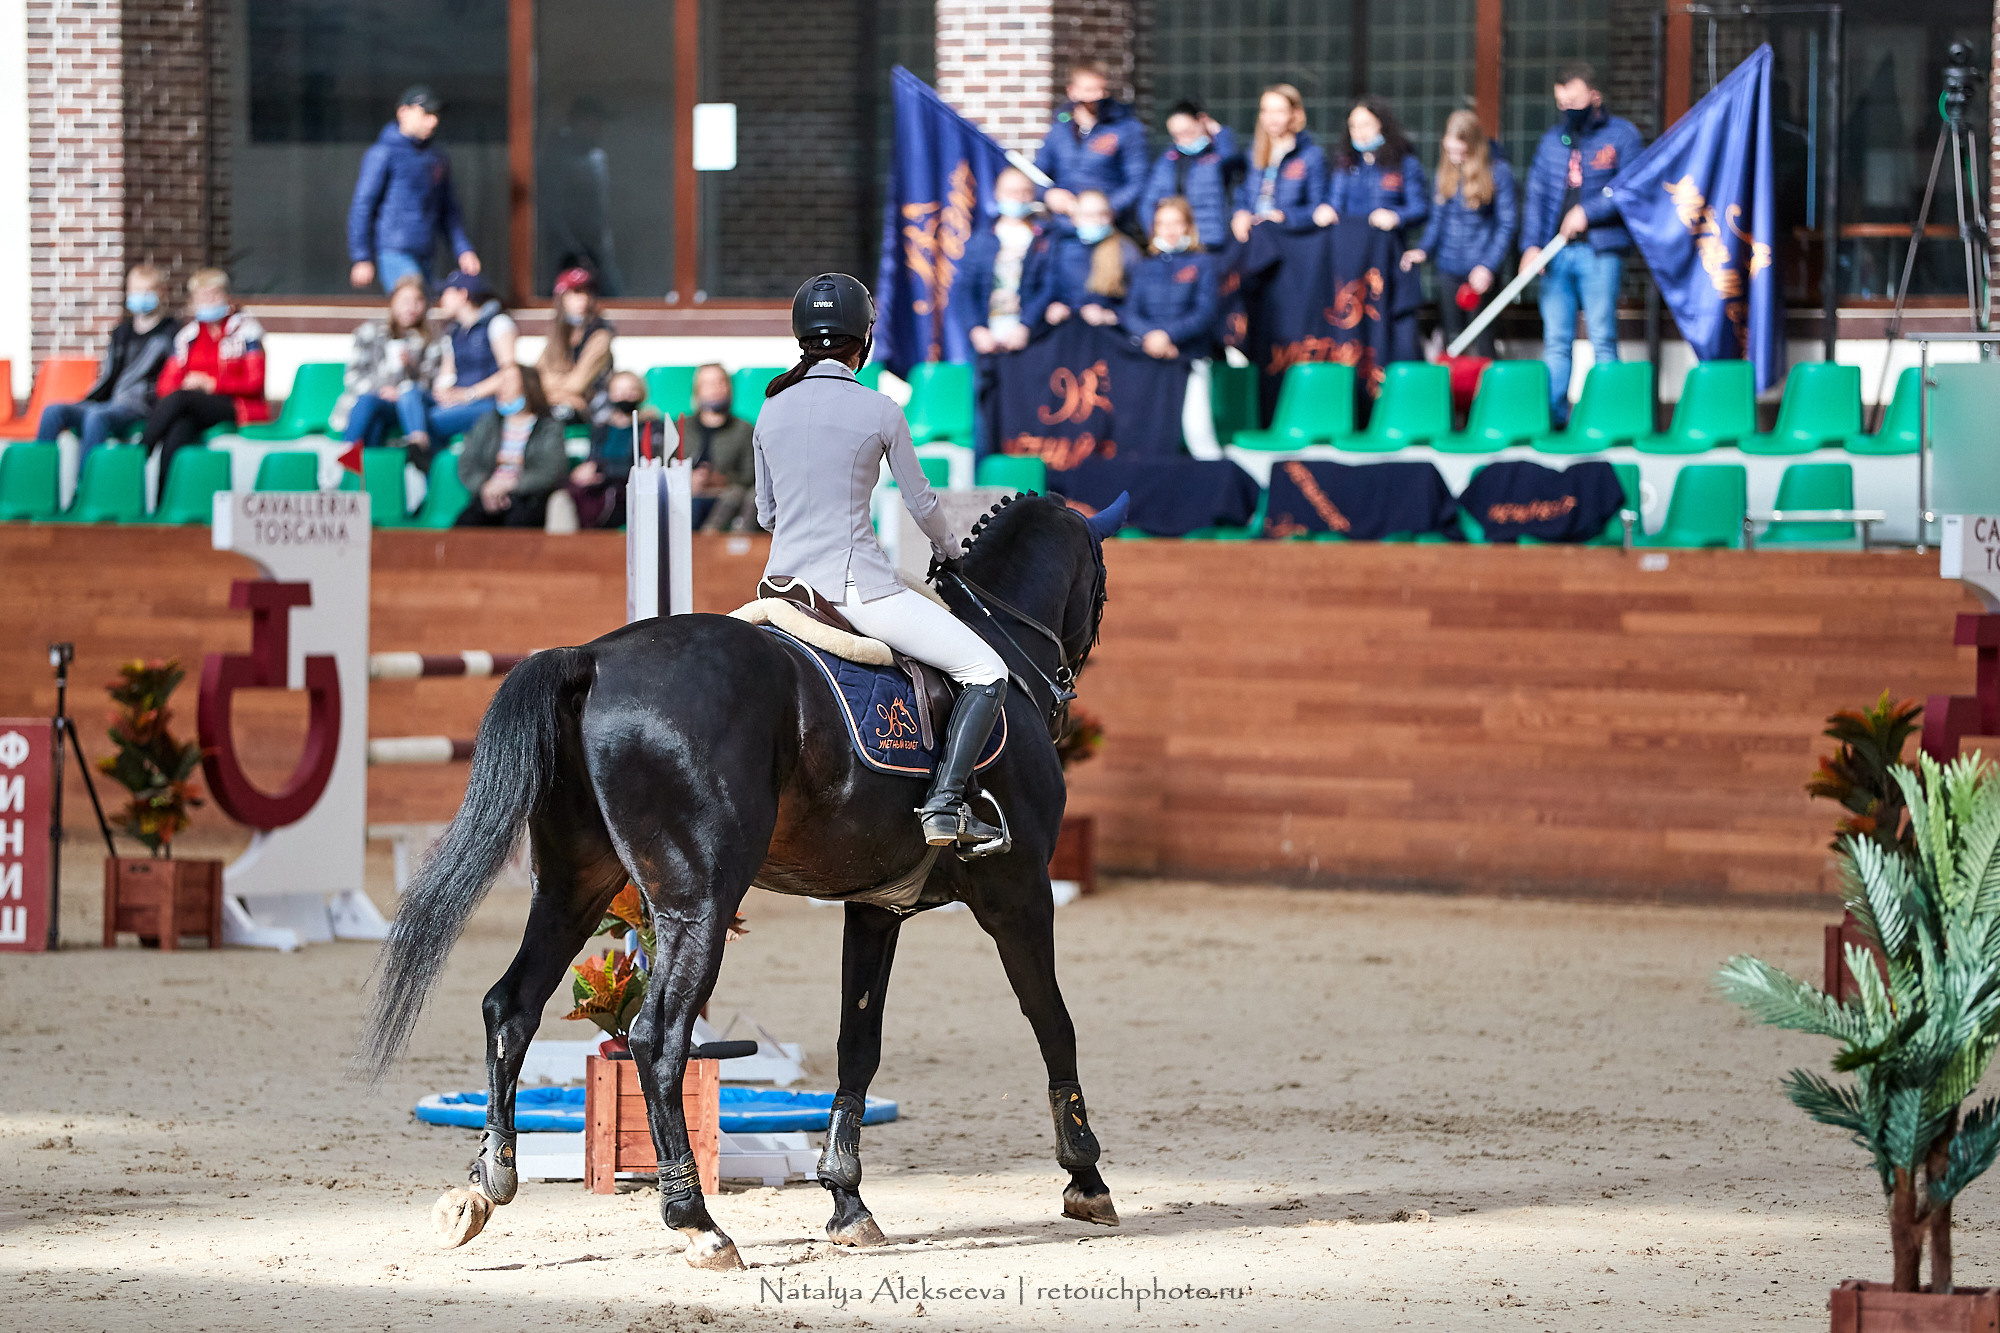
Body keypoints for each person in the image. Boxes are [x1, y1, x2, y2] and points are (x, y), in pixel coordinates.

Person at [754, 273, 1009, 850]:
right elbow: (922, 504)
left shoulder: (770, 409)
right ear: (861, 341)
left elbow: (767, 515)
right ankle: (944, 805)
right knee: (985, 669)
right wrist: (949, 551)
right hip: (856, 591)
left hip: (781, 588)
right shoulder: (879, 409)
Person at [1521, 62, 1645, 424]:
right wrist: (1531, 246)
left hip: (1600, 252)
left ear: (1594, 96)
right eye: (1560, 102)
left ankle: (1612, 419)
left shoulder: (1623, 136)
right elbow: (1537, 197)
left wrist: (1588, 212)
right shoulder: (1550, 142)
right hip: (1556, 255)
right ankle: (1554, 419)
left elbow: (1631, 189)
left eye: (1573, 100)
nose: (1566, 108)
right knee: (1556, 341)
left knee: (1603, 337)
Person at [1403, 109, 1518, 360]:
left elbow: (1507, 225)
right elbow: (1438, 219)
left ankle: (1486, 396)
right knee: (1453, 341)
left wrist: (1487, 266)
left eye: (1461, 152)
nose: (1455, 157)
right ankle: (1455, 396)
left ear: (1474, 145)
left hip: (1481, 270)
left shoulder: (1498, 172)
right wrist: (1423, 249)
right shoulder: (1446, 172)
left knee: (1483, 340)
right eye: (1450, 151)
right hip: (1449, 267)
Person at [36, 264, 180, 463]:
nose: (141, 296)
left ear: (162, 293)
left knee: (96, 416)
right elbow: (108, 377)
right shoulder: (121, 332)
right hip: (110, 403)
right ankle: (39, 479)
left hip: (140, 407)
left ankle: (86, 486)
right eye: (137, 291)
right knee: (53, 411)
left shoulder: (171, 333)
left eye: (148, 291)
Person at [347, 86, 480, 292]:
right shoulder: (383, 153)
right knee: (411, 303)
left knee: (421, 312)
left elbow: (448, 210)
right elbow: (363, 205)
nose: (433, 121)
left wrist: (463, 250)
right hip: (394, 252)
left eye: (435, 115)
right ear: (403, 112)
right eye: (426, 113)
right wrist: (362, 256)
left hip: (426, 252)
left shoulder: (436, 157)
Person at [142, 269, 269, 476]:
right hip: (194, 406)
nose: (208, 301)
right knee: (178, 430)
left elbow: (255, 382)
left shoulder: (246, 330)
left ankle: (140, 450)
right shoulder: (187, 337)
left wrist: (211, 384)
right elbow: (164, 387)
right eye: (202, 297)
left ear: (227, 296)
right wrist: (187, 385)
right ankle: (165, 502)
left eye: (214, 295)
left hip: (236, 405)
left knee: (182, 399)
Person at [1126, 197, 1223, 459]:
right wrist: (1150, 337)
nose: (1168, 230)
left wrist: (1168, 336)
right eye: (1162, 224)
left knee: (1198, 431)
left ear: (1188, 227)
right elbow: (1131, 312)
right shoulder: (1144, 266)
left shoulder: (1203, 263)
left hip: (1190, 359)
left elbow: (1205, 313)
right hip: (1150, 359)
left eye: (1176, 223)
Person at [962, 168, 1047, 457]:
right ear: (997, 196)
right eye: (1011, 192)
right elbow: (964, 291)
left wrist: (1026, 325)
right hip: (988, 343)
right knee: (985, 412)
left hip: (1027, 342)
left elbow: (1048, 287)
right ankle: (986, 475)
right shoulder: (981, 241)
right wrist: (976, 329)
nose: (1017, 198)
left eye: (1024, 192)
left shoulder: (1043, 241)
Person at [398, 269, 517, 466]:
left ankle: (423, 462)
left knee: (430, 419)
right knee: (409, 393)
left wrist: (467, 394)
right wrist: (444, 394)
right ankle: (419, 443)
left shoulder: (498, 323)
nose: (441, 299)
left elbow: (509, 374)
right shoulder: (453, 333)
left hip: (487, 405)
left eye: (446, 293)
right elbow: (447, 374)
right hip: (459, 404)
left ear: (462, 295)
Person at [332, 274, 446, 450]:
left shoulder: (432, 339)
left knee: (374, 411)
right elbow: (352, 377)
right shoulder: (370, 332)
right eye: (405, 301)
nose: (411, 307)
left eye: (418, 301)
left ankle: (346, 462)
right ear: (393, 301)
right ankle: (349, 456)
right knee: (370, 410)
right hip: (374, 402)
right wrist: (382, 390)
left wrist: (411, 367)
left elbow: (433, 386)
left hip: (410, 409)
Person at [1033, 61, 1150, 227]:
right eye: (1089, 90)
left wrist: (1105, 208)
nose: (1097, 96)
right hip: (1063, 225)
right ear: (1072, 91)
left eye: (1102, 90)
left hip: (1107, 224)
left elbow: (1138, 181)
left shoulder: (1126, 129)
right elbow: (1036, 174)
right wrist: (1047, 195)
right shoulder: (1059, 130)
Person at [455, 364, 567, 528]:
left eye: (508, 382)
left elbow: (552, 470)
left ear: (527, 386)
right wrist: (485, 486)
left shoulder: (548, 427)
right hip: (488, 496)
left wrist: (511, 486)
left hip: (528, 500)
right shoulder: (488, 423)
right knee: (464, 528)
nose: (501, 387)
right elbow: (467, 464)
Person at [1022, 190, 1141, 331]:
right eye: (1089, 215)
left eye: (1102, 214)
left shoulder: (1127, 250)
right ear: (1074, 218)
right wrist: (1050, 307)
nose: (1096, 220)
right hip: (1066, 327)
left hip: (1107, 332)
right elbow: (1047, 287)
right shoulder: (1061, 247)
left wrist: (1112, 315)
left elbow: (1138, 300)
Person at [1138, 100, 1243, 253]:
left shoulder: (1217, 154)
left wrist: (1220, 133)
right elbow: (1149, 202)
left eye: (1188, 132)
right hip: (1181, 245)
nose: (1183, 139)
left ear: (1202, 121)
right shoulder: (1168, 160)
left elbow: (1233, 161)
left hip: (1214, 243)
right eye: (1176, 135)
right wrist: (1157, 236)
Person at [1231, 84, 1331, 243]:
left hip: (1289, 240)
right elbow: (1243, 193)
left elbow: (1318, 208)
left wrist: (1285, 216)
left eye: (1279, 111)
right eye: (1266, 111)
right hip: (1256, 240)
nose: (1271, 118)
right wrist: (1240, 213)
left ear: (1295, 113)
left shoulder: (1310, 155)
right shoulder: (1253, 151)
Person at [566, 369, 659, 529]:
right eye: (619, 391)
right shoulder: (601, 428)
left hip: (627, 491)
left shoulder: (652, 427)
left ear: (641, 393)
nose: (625, 396)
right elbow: (591, 458)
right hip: (596, 487)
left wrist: (601, 469)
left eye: (631, 390)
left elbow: (647, 466)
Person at [1326, 99, 1430, 238]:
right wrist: (1327, 210)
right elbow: (1335, 202)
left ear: (1382, 125)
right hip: (1350, 241)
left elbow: (1419, 208)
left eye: (1366, 125)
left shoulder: (1404, 163)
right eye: (1353, 126)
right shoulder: (1345, 163)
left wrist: (1396, 216)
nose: (1359, 132)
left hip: (1385, 244)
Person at [679, 363, 758, 533]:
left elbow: (751, 474)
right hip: (686, 496)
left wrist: (722, 480)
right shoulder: (681, 427)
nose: (716, 388)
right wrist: (687, 479)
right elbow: (663, 468)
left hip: (727, 497)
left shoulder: (744, 429)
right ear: (697, 391)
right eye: (708, 384)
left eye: (721, 382)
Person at [537, 267, 617, 425]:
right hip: (564, 401)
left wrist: (550, 392)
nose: (584, 299)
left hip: (592, 409)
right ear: (561, 297)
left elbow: (578, 384)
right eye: (576, 292)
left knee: (556, 415)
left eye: (588, 293)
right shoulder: (557, 333)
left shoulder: (600, 334)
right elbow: (539, 375)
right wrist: (557, 394)